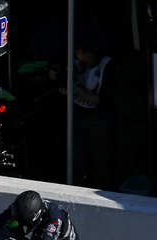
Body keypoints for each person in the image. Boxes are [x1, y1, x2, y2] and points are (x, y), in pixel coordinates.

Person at [50, 26, 115, 189]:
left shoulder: (106, 65)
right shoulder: (76, 64)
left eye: (85, 53)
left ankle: (103, 187)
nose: (81, 57)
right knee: (76, 155)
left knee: (99, 157)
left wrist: (79, 94)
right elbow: (60, 76)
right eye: (78, 53)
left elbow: (104, 101)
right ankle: (77, 186)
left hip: (98, 118)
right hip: (77, 115)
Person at [0, 190, 79, 240]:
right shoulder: (18, 208)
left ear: (35, 217)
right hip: (40, 235)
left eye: (24, 222)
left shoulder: (54, 217)